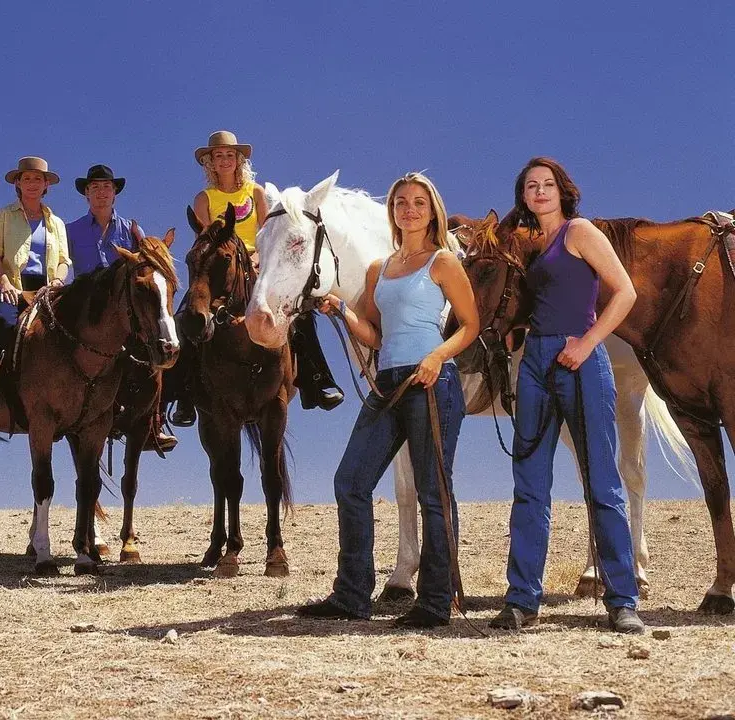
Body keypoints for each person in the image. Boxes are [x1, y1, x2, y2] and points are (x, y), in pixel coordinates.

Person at [297, 172, 479, 627]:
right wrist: (342, 309)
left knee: (432, 491)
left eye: (419, 201)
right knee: (350, 481)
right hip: (388, 381)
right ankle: (352, 595)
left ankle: (436, 603)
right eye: (401, 201)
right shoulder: (381, 269)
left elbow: (469, 326)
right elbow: (375, 335)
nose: (409, 209)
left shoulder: (443, 262)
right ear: (392, 210)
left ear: (431, 209)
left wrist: (437, 356)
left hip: (432, 380)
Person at [488, 157, 644, 634]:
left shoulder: (580, 232)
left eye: (547, 184)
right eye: (531, 186)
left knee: (602, 478)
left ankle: (622, 600)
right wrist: (517, 334)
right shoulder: (532, 246)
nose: (539, 192)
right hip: (535, 360)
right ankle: (521, 601)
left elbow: (625, 292)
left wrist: (588, 342)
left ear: (563, 190)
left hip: (581, 359)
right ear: (523, 195)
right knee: (529, 484)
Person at [171, 131, 343, 428]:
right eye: (218, 156)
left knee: (297, 311)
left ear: (239, 160)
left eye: (229, 155)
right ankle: (184, 397)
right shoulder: (204, 199)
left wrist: (256, 259)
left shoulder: (257, 193)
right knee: (185, 319)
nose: (224, 160)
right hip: (219, 268)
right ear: (210, 162)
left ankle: (316, 380)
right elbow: (204, 239)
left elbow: (268, 233)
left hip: (258, 262)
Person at [64, 165, 176, 450]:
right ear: (86, 194)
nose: (101, 192)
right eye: (95, 188)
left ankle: (154, 421)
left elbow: (147, 266)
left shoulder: (131, 229)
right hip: (85, 308)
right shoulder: (70, 231)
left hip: (122, 307)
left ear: (115, 193)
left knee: (155, 347)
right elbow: (62, 264)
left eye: (107, 187)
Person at [0, 156, 71, 412]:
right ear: (18, 183)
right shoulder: (3, 216)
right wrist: (3, 282)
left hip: (47, 288)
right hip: (11, 283)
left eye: (38, 179)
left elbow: (64, 260)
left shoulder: (56, 223)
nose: (32, 183)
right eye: (26, 178)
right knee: (3, 321)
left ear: (46, 185)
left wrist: (58, 281)